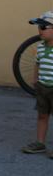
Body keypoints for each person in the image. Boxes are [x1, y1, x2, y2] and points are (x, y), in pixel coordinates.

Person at [21, 11, 53, 157]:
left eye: (43, 27)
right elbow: (37, 64)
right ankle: (40, 143)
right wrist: (35, 79)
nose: (40, 31)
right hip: (42, 87)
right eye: (39, 27)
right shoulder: (40, 47)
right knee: (42, 115)